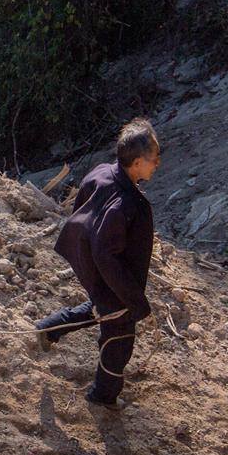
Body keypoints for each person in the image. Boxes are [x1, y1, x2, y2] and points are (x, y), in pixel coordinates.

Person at [35, 119, 160, 407]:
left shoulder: (101, 172)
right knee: (119, 337)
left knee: (99, 308)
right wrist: (134, 301)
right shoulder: (130, 205)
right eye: (154, 159)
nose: (157, 164)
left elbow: (84, 211)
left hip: (93, 266)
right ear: (138, 162)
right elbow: (108, 255)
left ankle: (49, 328)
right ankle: (103, 396)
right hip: (114, 278)